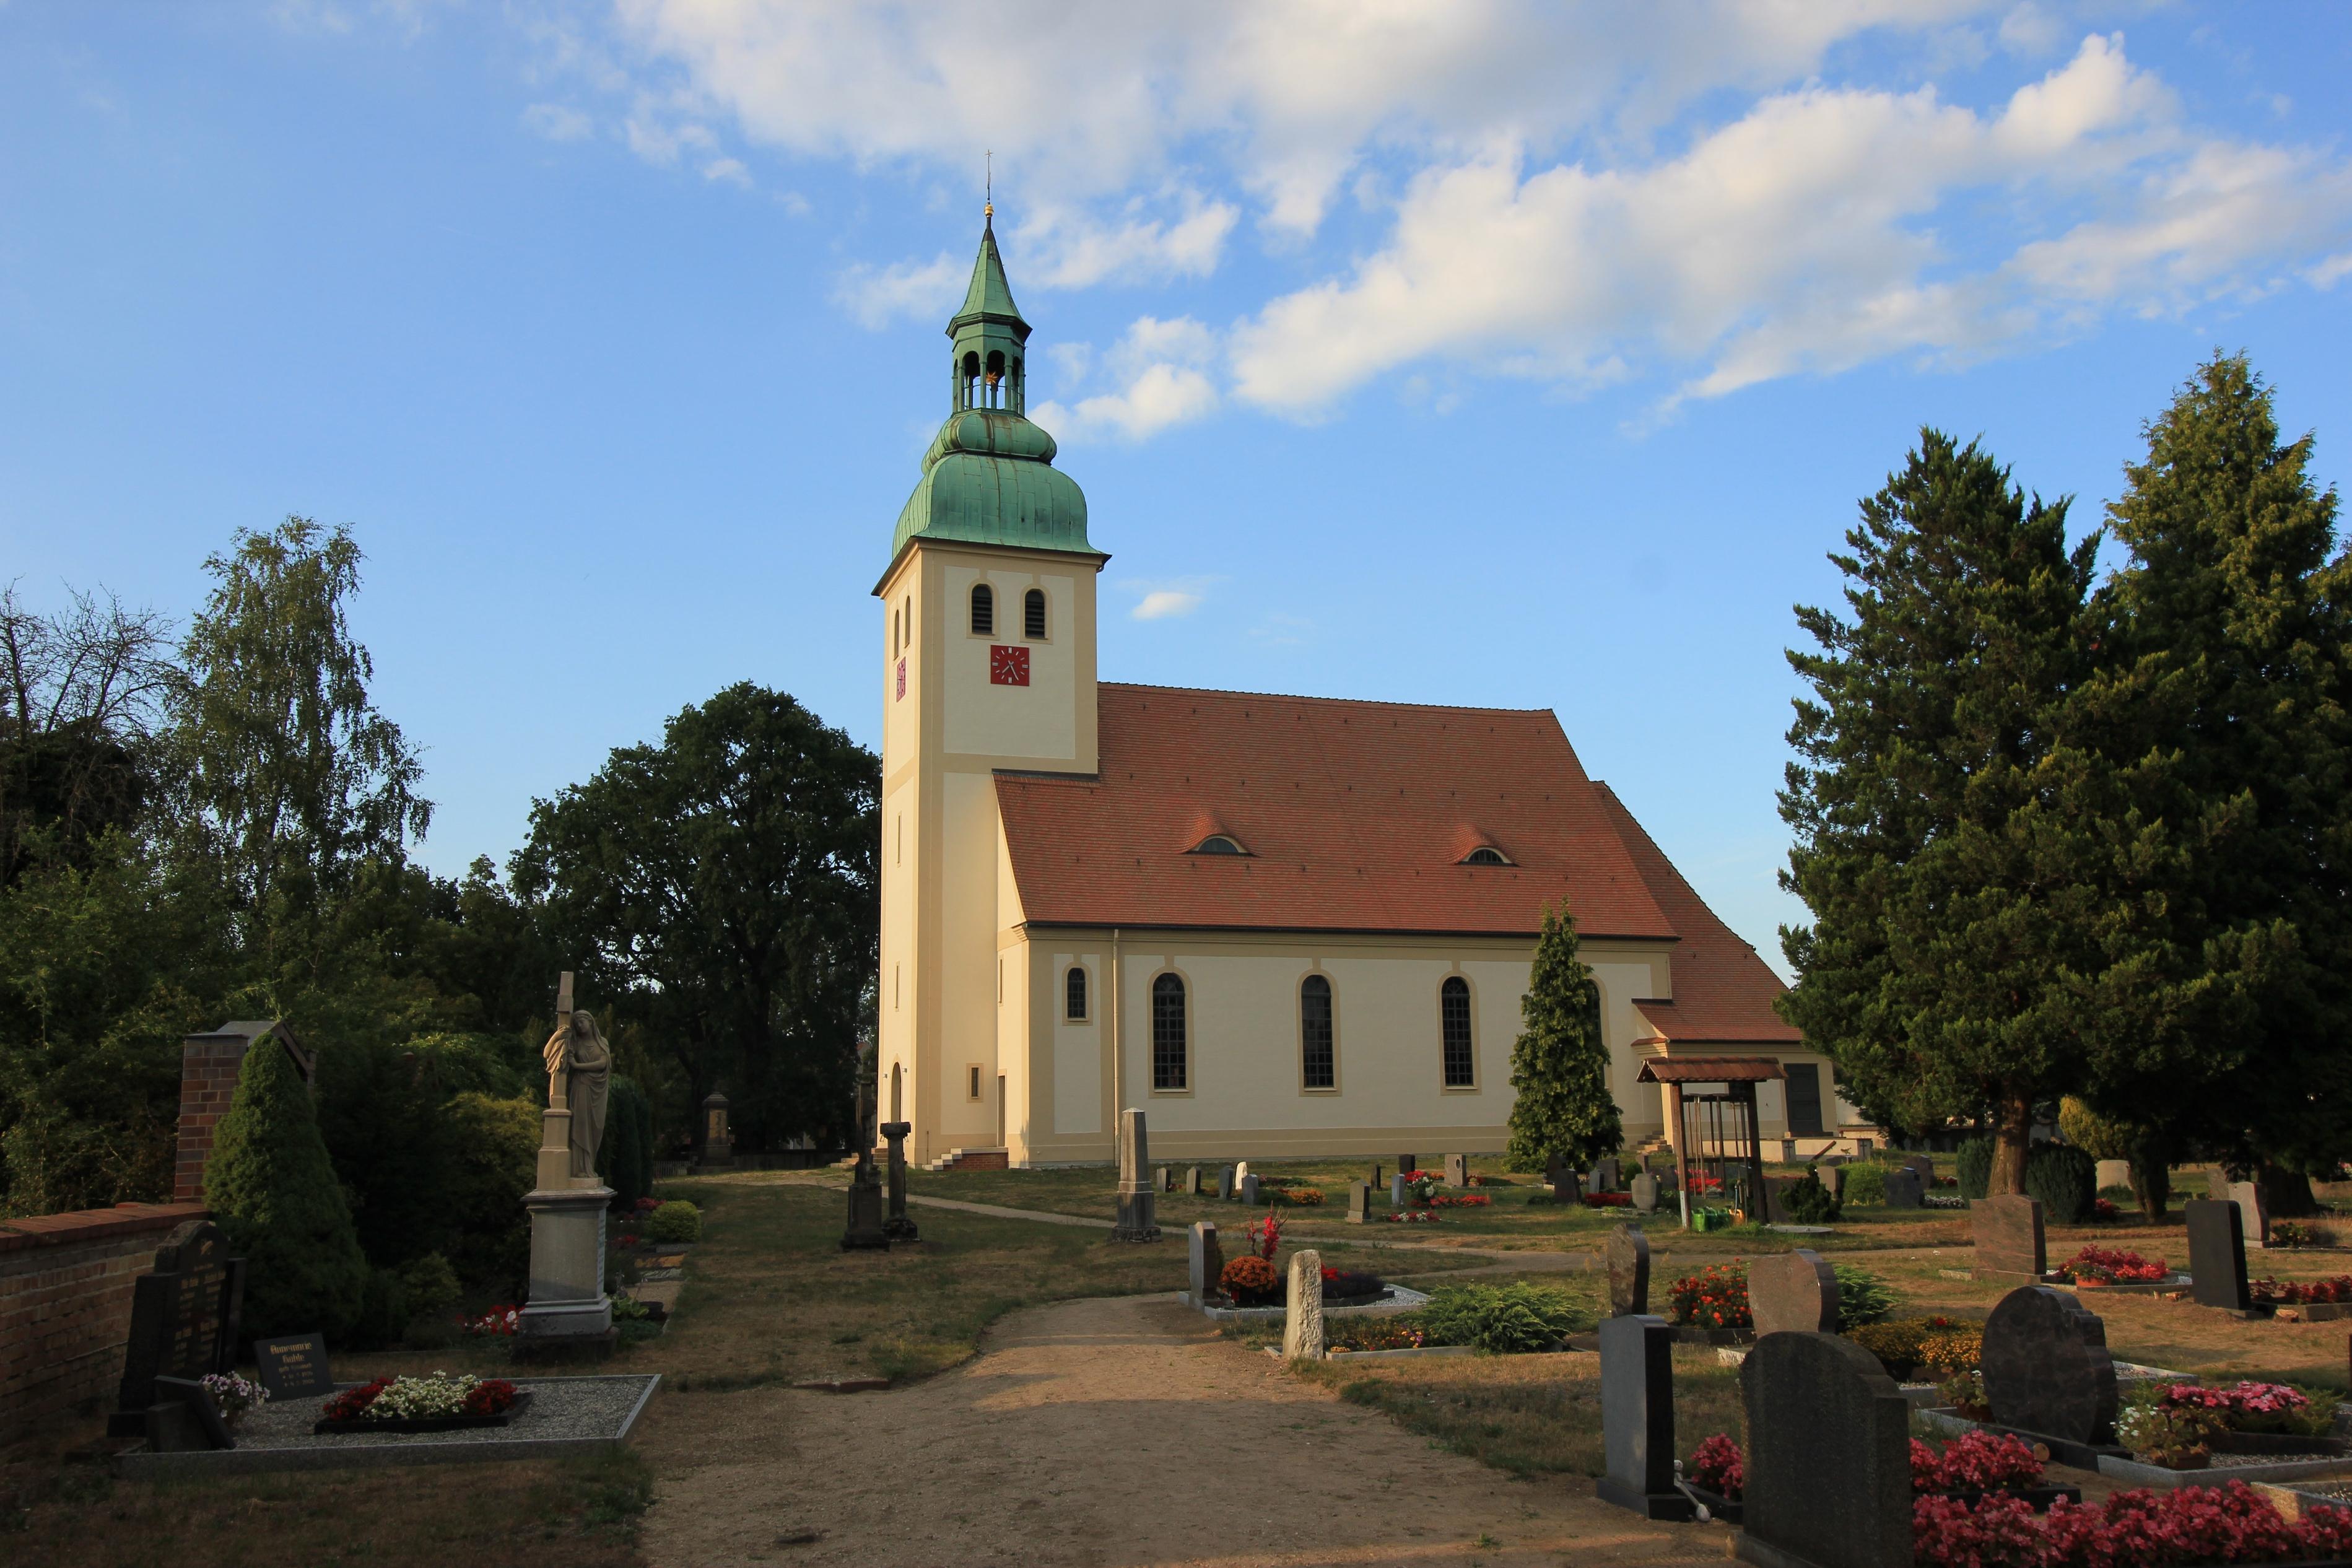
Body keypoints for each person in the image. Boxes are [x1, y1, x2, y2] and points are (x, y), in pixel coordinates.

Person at [543, 1010, 612, 1180]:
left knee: (595, 1129)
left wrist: (577, 1065)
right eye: (577, 1024)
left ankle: (589, 1166)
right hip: (581, 1088)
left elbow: (603, 1063)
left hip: (598, 1091)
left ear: (591, 1022)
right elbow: (547, 1054)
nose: (579, 1026)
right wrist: (556, 1037)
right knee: (580, 1127)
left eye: (582, 1022)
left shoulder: (602, 1042)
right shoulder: (574, 1042)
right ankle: (579, 1169)